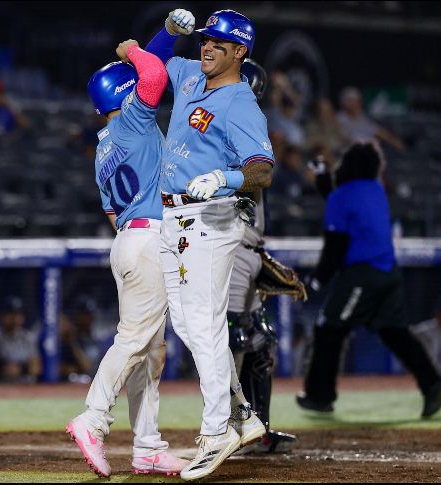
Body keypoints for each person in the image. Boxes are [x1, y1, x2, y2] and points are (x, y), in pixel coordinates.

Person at [145, 8, 275, 480]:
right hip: (173, 215)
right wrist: (167, 33)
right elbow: (143, 65)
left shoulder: (241, 103)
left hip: (211, 216)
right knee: (186, 321)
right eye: (204, 40)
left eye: (217, 44)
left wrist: (228, 175)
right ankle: (240, 414)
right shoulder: (189, 75)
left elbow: (263, 169)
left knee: (203, 324)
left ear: (240, 52)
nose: (206, 47)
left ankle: (217, 428)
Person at [66, 41, 189, 479]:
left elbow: (112, 213)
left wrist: (160, 38)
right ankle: (93, 419)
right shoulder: (134, 120)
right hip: (148, 240)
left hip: (128, 239)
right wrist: (134, 49)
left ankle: (148, 447)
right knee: (135, 340)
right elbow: (154, 76)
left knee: (151, 351)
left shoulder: (103, 146)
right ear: (123, 94)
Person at [297, 141, 441, 418]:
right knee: (395, 333)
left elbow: (335, 247)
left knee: (329, 329)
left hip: (363, 275)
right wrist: (324, 179)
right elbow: (344, 203)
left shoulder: (343, 196)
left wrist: (316, 280)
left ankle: (319, 395)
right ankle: (433, 384)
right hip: (389, 274)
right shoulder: (376, 190)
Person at [225, 59, 298, 454]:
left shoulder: (247, 127)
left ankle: (260, 429)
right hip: (228, 244)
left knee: (260, 342)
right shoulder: (221, 127)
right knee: (232, 339)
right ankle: (225, 429)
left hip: (250, 246)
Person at [0, 296, 42, 384]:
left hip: (28, 389)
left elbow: (36, 368)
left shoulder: (28, 338)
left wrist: (20, 369)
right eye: (10, 314)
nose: (15, 318)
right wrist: (26, 367)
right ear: (1, 316)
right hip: (1, 389)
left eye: (18, 314)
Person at [337, 87, 404, 151]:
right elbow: (345, 139)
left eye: (357, 101)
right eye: (351, 101)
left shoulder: (363, 117)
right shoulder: (340, 119)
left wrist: (394, 141)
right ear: (344, 103)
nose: (355, 104)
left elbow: (379, 131)